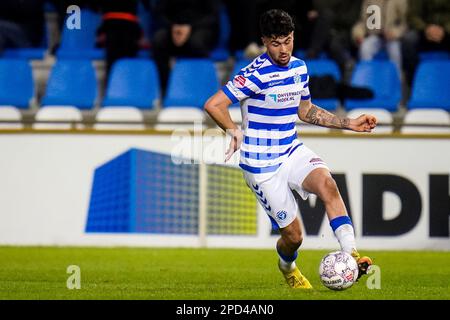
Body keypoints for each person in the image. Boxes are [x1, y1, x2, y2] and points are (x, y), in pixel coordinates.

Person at [204, 9, 375, 288]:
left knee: (328, 185)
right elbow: (214, 104)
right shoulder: (254, 74)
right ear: (264, 41)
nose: (283, 49)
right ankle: (288, 267)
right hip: (261, 165)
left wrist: (349, 123)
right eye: (275, 43)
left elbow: (305, 111)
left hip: (291, 149)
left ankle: (351, 254)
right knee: (294, 237)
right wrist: (234, 131)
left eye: (287, 40)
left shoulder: (299, 68)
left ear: (293, 37)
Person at [152, 0, 220, 95]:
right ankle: (166, 88)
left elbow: (213, 16)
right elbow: (158, 13)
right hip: (172, 27)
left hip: (201, 27)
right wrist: (173, 26)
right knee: (158, 40)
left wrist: (190, 27)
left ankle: (197, 87)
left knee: (196, 43)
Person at [401, 0, 450, 86]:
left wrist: (445, 29)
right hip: (424, 31)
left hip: (447, 31)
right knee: (408, 40)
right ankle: (414, 83)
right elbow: (412, 15)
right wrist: (426, 29)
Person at [352, 0, 408, 74]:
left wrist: (395, 33)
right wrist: (358, 34)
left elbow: (404, 23)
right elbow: (363, 22)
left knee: (395, 50)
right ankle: (367, 78)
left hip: (393, 37)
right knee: (365, 47)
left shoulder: (400, 1)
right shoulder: (369, 1)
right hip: (375, 36)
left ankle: (397, 79)